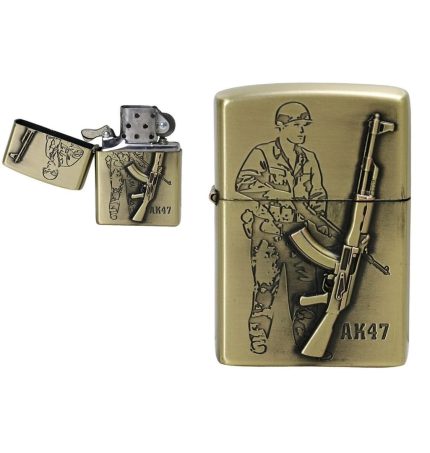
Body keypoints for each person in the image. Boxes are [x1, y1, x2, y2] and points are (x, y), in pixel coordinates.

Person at [236, 101, 332, 354]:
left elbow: (318, 194)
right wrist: (283, 195)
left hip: (301, 235)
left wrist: (317, 217)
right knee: (264, 287)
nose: (302, 130)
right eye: (296, 125)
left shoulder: (308, 158)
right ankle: (258, 337)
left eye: (304, 125)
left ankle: (305, 341)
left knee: (305, 292)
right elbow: (243, 183)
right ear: (280, 126)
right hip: (268, 232)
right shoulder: (262, 153)